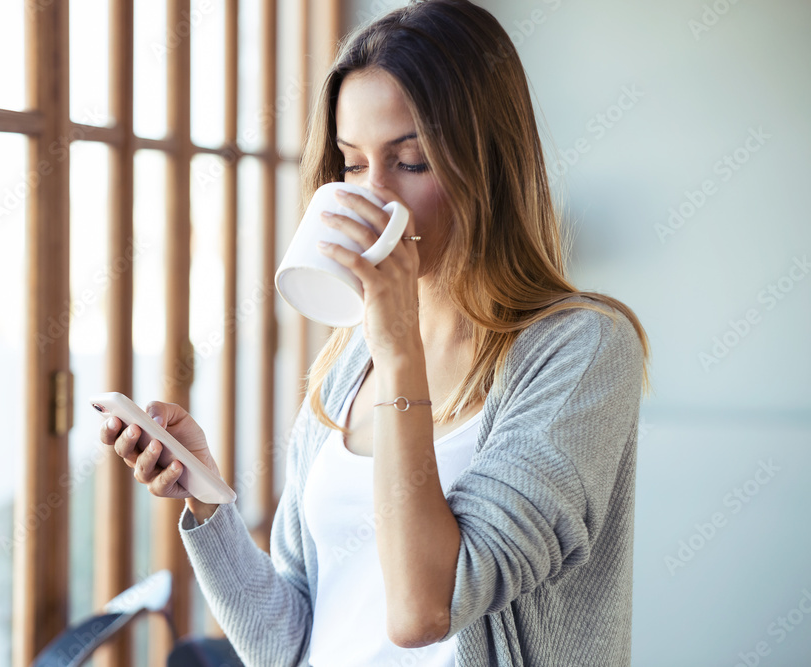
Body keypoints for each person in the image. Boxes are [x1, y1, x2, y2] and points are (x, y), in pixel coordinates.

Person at [100, 1, 652, 664]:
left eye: (412, 162)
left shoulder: (580, 351)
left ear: (490, 164)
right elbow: (287, 641)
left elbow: (425, 608)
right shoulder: (349, 362)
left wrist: (398, 344)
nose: (374, 197)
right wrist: (208, 500)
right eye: (354, 165)